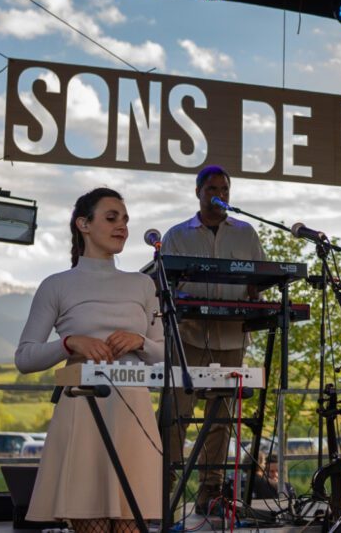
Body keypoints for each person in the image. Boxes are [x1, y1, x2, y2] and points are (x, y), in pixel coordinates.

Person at [15, 188, 164, 532]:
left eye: (125, 219)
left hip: (133, 413)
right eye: (111, 218)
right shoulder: (56, 285)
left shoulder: (143, 284)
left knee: (134, 518)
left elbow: (167, 351)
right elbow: (24, 357)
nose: (122, 227)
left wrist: (140, 340)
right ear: (83, 224)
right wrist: (69, 344)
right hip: (82, 412)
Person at [161, 165, 266, 514]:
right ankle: (162, 491)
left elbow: (261, 280)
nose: (219, 194)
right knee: (177, 413)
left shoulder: (246, 232)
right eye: (212, 189)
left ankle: (211, 493)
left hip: (232, 336)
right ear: (198, 192)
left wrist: (256, 298)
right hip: (188, 336)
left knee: (221, 419)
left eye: (225, 189)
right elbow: (167, 285)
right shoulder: (178, 234)